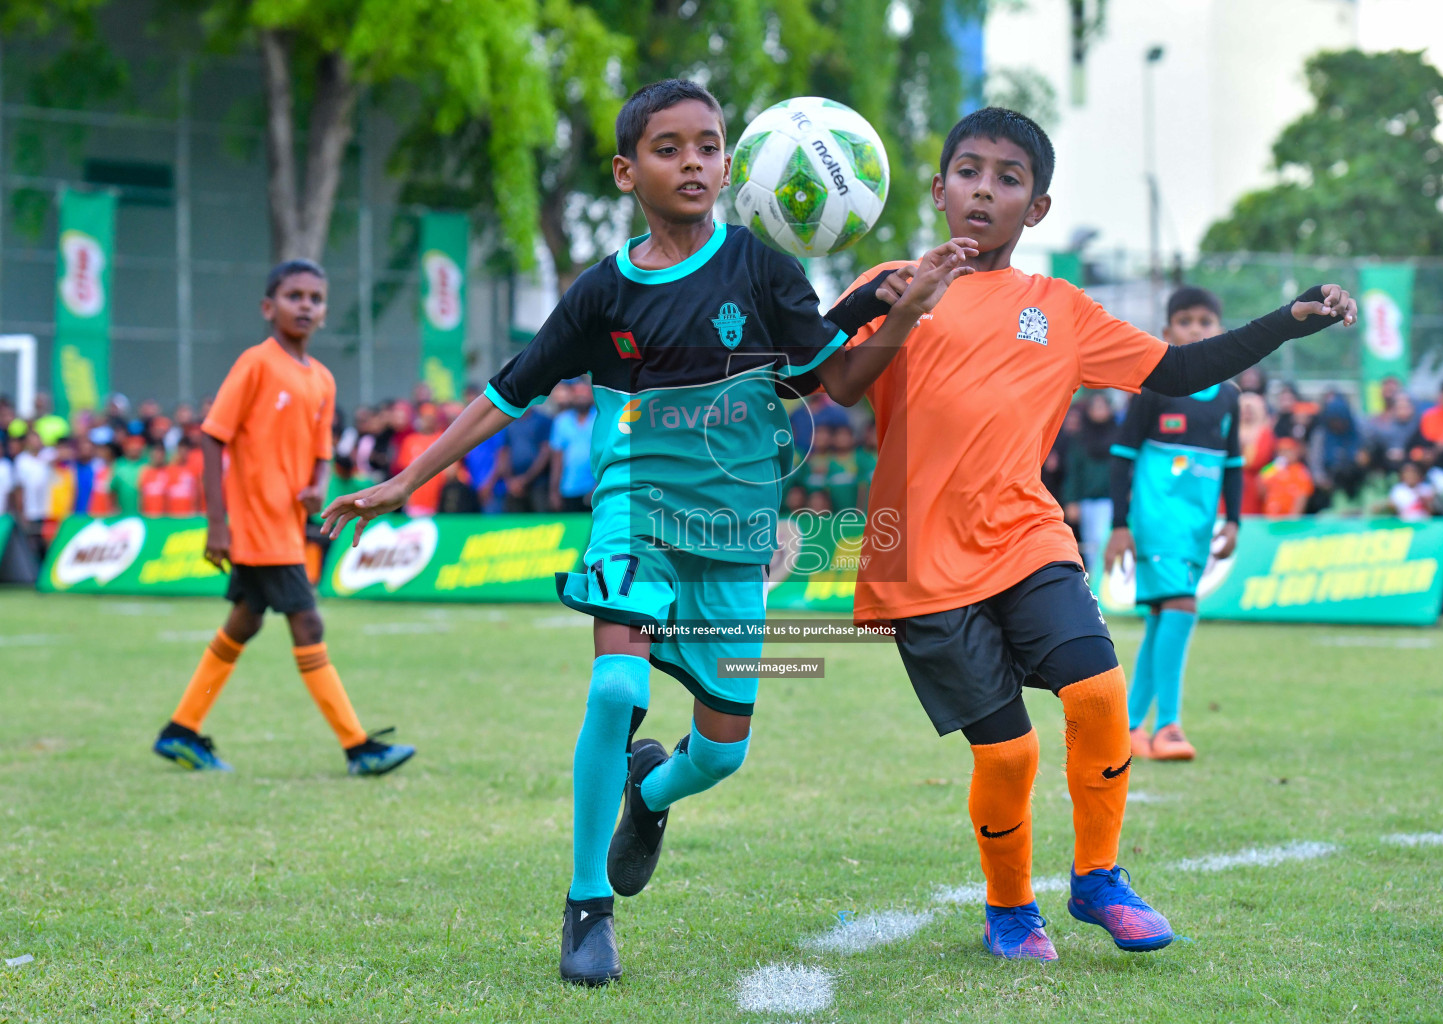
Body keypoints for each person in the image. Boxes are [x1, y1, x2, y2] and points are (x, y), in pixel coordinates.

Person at [320, 79, 971, 986]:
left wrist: (903, 306)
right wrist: (403, 479)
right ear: (628, 171)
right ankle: (589, 906)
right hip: (636, 509)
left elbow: (839, 384)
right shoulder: (602, 293)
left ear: (731, 165)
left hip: (736, 531)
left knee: (724, 752)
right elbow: (507, 392)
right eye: (670, 148)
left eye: (709, 146)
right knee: (614, 684)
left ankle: (650, 791)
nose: (694, 162)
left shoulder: (764, 271)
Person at [840, 107, 1355, 963]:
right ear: (938, 190)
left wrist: (1286, 320)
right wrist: (873, 302)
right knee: (1007, 755)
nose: (985, 190)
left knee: (1102, 694)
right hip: (918, 560)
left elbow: (1181, 371)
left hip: (1027, 536)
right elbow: (825, 378)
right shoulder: (896, 280)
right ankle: (1010, 911)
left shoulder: (1061, 309)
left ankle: (1100, 879)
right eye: (969, 171)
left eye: (1010, 179)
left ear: (1035, 209)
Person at [151, 259, 414, 777]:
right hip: (255, 526)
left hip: (286, 525)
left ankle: (182, 728)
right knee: (307, 620)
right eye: (294, 296)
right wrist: (217, 523)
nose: (305, 305)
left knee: (243, 624)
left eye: (315, 298)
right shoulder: (256, 363)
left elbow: (320, 450)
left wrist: (319, 483)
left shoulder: (322, 380)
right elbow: (211, 435)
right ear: (269, 307)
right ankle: (358, 746)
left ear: (324, 311)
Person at [1104, 286, 1241, 764]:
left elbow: (1235, 464)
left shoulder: (1229, 397)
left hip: (1199, 526)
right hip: (1155, 520)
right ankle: (1169, 726)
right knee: (1182, 606)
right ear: (1166, 332)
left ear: (1221, 331)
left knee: (1165, 617)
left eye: (1206, 321)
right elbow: (1120, 458)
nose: (1196, 328)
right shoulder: (1154, 386)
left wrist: (1236, 520)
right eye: (1185, 321)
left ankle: (1127, 727)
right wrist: (1120, 525)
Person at [1064, 392, 1117, 571]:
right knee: (1091, 547)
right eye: (1095, 407)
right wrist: (1071, 500)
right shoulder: (1081, 438)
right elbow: (1073, 471)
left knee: (1107, 545)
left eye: (1103, 407)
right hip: (1088, 501)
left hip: (1112, 500)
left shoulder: (1117, 436)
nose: (1099, 412)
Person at [548, 377, 597, 511]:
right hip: (569, 488)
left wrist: (599, 486)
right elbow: (557, 459)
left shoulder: (600, 419)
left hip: (594, 489)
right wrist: (554, 490)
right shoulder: (561, 421)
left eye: (584, 392)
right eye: (577, 392)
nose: (581, 396)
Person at [1237, 392, 1275, 515]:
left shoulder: (1265, 432)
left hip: (1255, 485)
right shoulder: (1231, 429)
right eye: (1244, 410)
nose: (1247, 414)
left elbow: (1260, 459)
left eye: (1251, 410)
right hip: (1231, 481)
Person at [1259, 437, 1314, 516]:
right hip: (1270, 517)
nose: (1284, 454)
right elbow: (1260, 490)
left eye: (1288, 451)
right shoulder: (1272, 468)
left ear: (1295, 452)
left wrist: (1293, 517)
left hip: (1288, 519)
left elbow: (1302, 496)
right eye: (1281, 451)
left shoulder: (1300, 471)